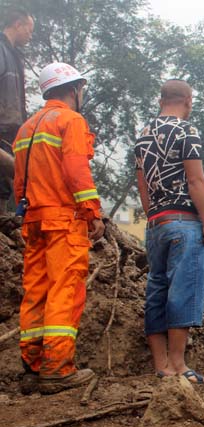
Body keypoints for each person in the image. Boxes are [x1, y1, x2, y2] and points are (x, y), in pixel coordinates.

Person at [13, 62, 103, 394]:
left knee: (36, 290)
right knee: (65, 288)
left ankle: (33, 368)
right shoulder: (71, 120)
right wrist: (92, 211)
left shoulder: (26, 128)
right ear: (73, 90)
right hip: (63, 219)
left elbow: (19, 181)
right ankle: (58, 367)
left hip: (34, 219)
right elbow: (77, 168)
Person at [135, 79, 204, 385]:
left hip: (156, 223)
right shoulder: (187, 131)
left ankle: (162, 366)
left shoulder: (143, 136)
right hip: (184, 221)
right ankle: (180, 365)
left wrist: (153, 217)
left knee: (156, 291)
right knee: (183, 290)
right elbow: (196, 180)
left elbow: (142, 185)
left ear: (161, 100)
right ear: (188, 100)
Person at [0, 7, 34, 212]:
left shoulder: (14, 55)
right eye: (29, 30)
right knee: (16, 172)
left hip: (11, 132)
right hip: (2, 127)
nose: (30, 36)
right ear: (17, 24)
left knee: (4, 186)